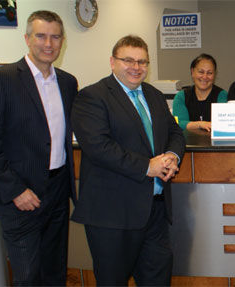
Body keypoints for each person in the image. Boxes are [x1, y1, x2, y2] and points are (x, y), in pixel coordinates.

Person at [0, 10, 78, 285]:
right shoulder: (0, 80)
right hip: (21, 196)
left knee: (56, 272)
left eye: (55, 37)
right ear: (27, 39)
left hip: (57, 192)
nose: (48, 43)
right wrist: (16, 190)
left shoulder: (67, 83)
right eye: (41, 36)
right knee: (28, 276)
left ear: (62, 41)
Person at [71, 35, 185, 286]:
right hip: (113, 215)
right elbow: (98, 147)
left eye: (142, 62)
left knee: (157, 279)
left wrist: (172, 156)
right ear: (112, 62)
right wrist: (148, 166)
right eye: (129, 60)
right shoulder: (92, 97)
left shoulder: (154, 95)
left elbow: (175, 132)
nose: (136, 67)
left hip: (154, 211)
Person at [172, 53, 228, 131]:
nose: (205, 77)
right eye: (201, 72)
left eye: (209, 73)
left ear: (214, 74)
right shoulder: (181, 97)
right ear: (192, 72)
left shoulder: (222, 96)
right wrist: (200, 124)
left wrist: (192, 124)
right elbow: (180, 123)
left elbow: (222, 124)